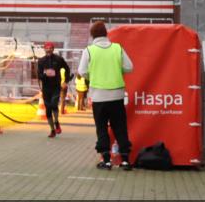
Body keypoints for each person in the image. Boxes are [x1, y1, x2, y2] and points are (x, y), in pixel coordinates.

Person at [78, 21, 134, 170]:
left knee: (101, 128)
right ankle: (125, 160)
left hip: (99, 96)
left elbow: (82, 71)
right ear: (106, 33)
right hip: (117, 95)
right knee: (120, 127)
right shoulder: (117, 48)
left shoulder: (89, 51)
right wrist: (116, 69)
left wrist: (94, 74)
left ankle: (106, 160)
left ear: (92, 35)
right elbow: (129, 67)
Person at [36, 42, 71, 138]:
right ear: (44, 49)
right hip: (46, 88)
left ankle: (56, 122)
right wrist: (45, 75)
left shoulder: (58, 59)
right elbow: (38, 75)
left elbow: (67, 69)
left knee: (54, 104)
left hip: (56, 86)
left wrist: (65, 81)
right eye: (47, 48)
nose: (49, 49)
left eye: (50, 48)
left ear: (53, 49)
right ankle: (52, 130)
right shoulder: (41, 61)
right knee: (48, 110)